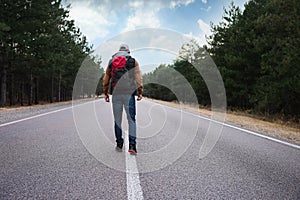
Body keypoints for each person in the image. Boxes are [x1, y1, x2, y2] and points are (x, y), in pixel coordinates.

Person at [103, 44, 143, 155]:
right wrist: (140, 91)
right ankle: (132, 146)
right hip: (129, 94)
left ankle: (119, 144)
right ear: (128, 52)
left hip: (116, 94)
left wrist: (106, 93)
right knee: (131, 120)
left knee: (117, 120)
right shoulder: (133, 61)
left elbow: (106, 80)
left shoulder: (111, 62)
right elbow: (138, 78)